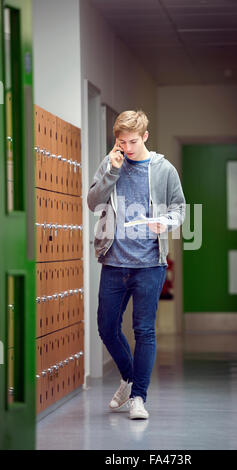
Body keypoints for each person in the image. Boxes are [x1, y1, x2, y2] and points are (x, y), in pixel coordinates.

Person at [87, 110, 185, 419]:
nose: (127, 148)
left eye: (132, 141)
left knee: (144, 330)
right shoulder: (110, 162)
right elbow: (93, 203)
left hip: (149, 264)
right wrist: (112, 171)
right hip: (114, 262)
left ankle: (139, 397)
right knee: (106, 326)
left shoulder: (163, 169)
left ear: (144, 136)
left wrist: (165, 221)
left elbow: (180, 209)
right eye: (121, 142)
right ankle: (129, 379)